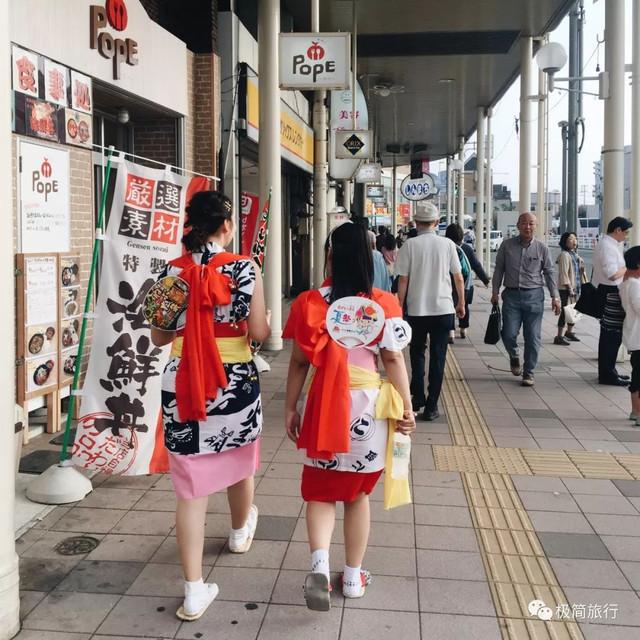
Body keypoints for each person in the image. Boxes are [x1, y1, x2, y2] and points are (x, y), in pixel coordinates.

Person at [150, 191, 270, 622]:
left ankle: (194, 590)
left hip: (182, 384)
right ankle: (239, 533)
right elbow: (257, 331)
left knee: (190, 486)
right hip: (234, 383)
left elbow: (160, 338)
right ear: (225, 225)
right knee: (239, 459)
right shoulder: (244, 267)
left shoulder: (170, 271)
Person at [283, 222, 415, 611]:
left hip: (324, 404)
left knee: (321, 492)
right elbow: (392, 358)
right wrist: (407, 408)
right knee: (357, 495)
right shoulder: (383, 304)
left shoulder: (309, 303)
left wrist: (291, 407)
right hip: (367, 409)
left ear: (330, 256)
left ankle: (320, 567)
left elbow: (297, 363)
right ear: (368, 257)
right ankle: (354, 576)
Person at [395, 201, 465, 420]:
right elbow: (458, 277)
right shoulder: (447, 245)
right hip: (443, 310)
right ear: (436, 222)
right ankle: (432, 406)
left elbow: (403, 280)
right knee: (438, 357)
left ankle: (417, 398)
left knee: (417, 353)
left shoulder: (409, 245)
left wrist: (399, 306)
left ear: (416, 222)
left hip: (417, 310)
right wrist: (461, 303)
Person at [491, 212, 561, 387]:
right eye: (524, 223)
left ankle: (529, 372)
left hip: (534, 296)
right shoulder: (506, 246)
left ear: (536, 226)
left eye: (531, 224)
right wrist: (495, 291)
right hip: (511, 296)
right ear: (517, 225)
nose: (527, 227)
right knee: (508, 333)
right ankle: (514, 356)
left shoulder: (542, 248)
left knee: (532, 337)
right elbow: (499, 269)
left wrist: (555, 296)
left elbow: (549, 272)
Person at [593, 216, 634, 385]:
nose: (626, 236)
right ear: (617, 230)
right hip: (610, 293)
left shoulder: (609, 244)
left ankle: (609, 371)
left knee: (611, 335)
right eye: (625, 232)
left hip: (610, 291)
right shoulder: (607, 246)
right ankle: (607, 374)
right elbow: (612, 274)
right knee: (611, 335)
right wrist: (628, 267)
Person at [445, 223, 490, 340]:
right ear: (461, 236)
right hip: (466, 285)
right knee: (464, 305)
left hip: (448, 284)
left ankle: (451, 332)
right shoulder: (467, 249)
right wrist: (485, 280)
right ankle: (463, 329)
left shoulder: (444, 248)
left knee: (449, 307)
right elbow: (476, 266)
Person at [619, 246, 640, 424]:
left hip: (634, 336)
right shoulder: (634, 285)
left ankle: (636, 411)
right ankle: (637, 411)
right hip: (638, 337)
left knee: (637, 373)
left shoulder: (627, 283)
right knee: (638, 375)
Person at [555, 232, 585, 345]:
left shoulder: (574, 254)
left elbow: (579, 270)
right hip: (567, 289)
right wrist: (569, 288)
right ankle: (559, 336)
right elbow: (564, 273)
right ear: (565, 241)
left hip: (576, 287)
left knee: (574, 310)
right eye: (571, 239)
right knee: (565, 311)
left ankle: (569, 332)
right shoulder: (564, 255)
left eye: (575, 239)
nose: (574, 241)